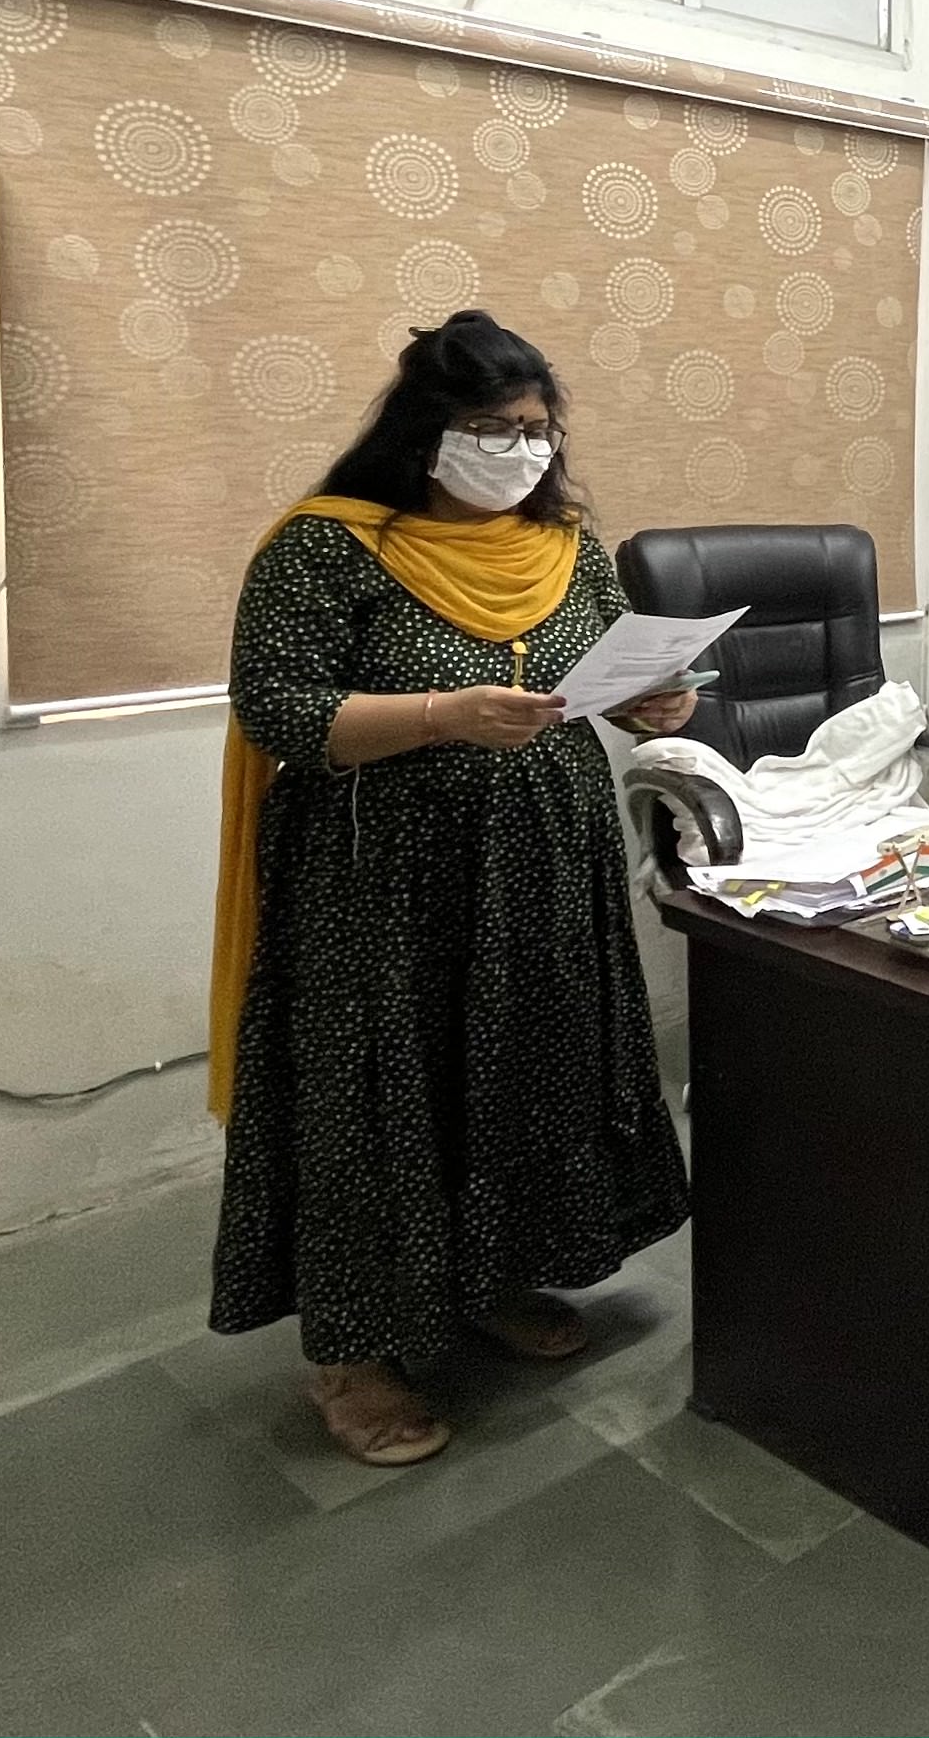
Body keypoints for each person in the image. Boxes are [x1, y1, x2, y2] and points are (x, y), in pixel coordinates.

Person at [207, 310, 697, 1469]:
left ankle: (493, 1275)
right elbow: (276, 705)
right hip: (381, 889)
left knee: (525, 1073)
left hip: (545, 873)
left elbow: (602, 670)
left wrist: (655, 702)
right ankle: (354, 1355)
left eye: (536, 427)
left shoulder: (564, 545)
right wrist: (442, 714)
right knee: (386, 1100)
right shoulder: (329, 547)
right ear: (428, 430)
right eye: (493, 426)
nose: (521, 448)